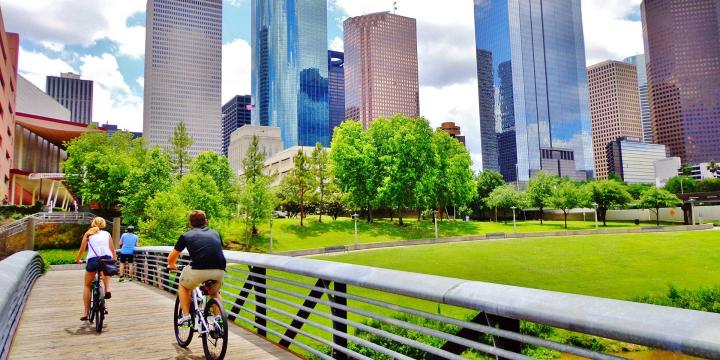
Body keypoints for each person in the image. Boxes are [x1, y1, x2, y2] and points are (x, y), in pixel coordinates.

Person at [167, 210, 226, 326]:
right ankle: (218, 319)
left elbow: (171, 258)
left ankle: (186, 317)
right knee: (214, 292)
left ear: (190, 223)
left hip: (198, 270)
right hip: (219, 269)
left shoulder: (186, 236)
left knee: (183, 286)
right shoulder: (216, 233)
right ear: (206, 222)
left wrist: (172, 265)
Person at [75, 217, 116, 321]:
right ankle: (107, 290)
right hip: (106, 259)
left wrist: (78, 259)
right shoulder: (107, 234)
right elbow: (112, 250)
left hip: (93, 260)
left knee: (87, 285)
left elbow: (82, 249)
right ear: (103, 224)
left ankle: (86, 313)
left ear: (93, 223)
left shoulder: (88, 234)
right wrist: (114, 260)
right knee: (105, 272)